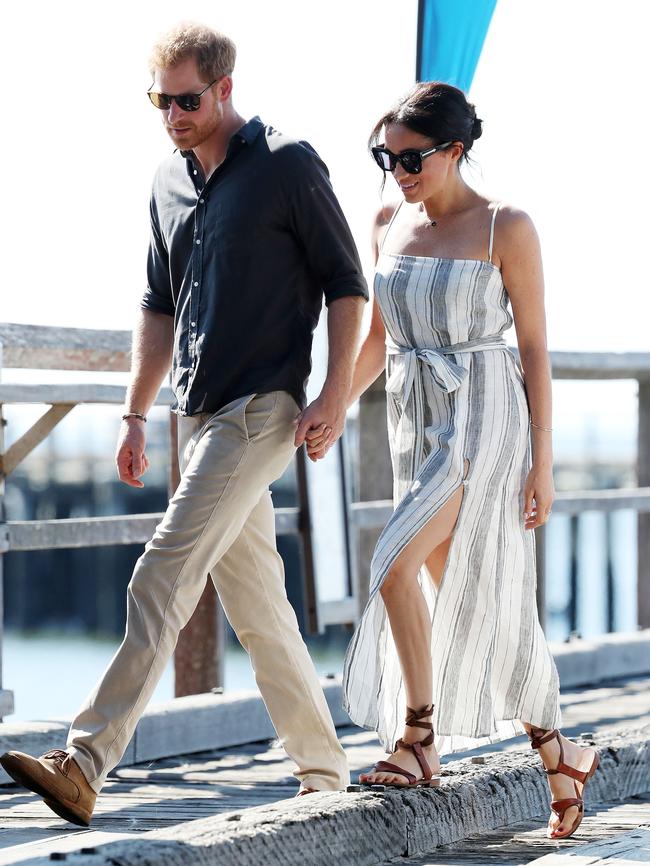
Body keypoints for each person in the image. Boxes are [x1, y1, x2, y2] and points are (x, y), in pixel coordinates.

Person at [0, 21, 368, 825]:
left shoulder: (287, 165)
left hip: (263, 408)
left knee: (161, 570)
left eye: (187, 100)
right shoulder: (167, 179)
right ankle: (326, 771)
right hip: (198, 416)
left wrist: (334, 393)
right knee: (260, 607)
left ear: (226, 87)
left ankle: (84, 759)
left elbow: (348, 285)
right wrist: (136, 411)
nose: (173, 115)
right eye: (160, 101)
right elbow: (156, 306)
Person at [306, 82, 599, 840]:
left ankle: (419, 737)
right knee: (476, 599)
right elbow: (379, 337)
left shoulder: (507, 225)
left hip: (485, 419)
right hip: (416, 418)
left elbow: (534, 349)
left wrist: (544, 465)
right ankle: (559, 751)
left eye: (412, 157)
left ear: (455, 150)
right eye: (386, 158)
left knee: (393, 563)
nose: (399, 171)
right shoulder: (385, 222)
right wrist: (335, 398)